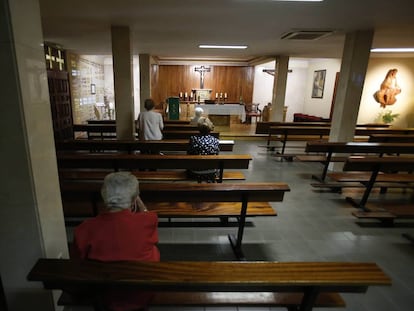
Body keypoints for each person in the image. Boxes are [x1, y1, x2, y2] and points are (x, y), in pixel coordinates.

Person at [72, 172, 160, 311]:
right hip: (140, 294)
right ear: (134, 200)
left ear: (104, 195)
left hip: (104, 297)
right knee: (153, 250)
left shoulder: (84, 228)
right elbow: (147, 218)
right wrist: (142, 208)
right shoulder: (149, 220)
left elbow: (79, 261)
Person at [187, 117, 220, 182]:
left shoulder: (193, 139)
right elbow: (217, 154)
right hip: (212, 172)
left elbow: (189, 153)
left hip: (195, 171)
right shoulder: (215, 140)